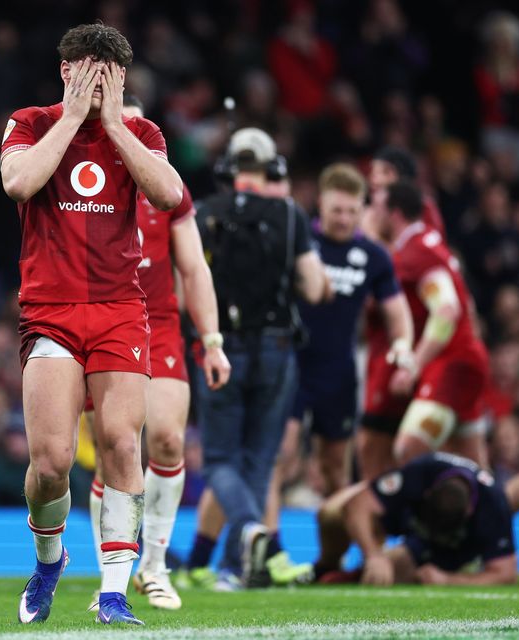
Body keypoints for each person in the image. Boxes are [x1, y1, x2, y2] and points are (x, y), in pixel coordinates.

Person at [0, 23, 185, 626]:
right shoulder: (29, 122)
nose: (99, 83)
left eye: (110, 74)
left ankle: (113, 594)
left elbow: (169, 195)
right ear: (66, 71)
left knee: (121, 444)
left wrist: (112, 125)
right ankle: (49, 559)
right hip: (50, 309)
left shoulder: (142, 133)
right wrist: (73, 117)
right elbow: (18, 183)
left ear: (123, 78)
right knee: (51, 462)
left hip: (118, 309)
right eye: (87, 72)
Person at [85, 94, 230, 612]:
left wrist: (212, 340)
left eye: (136, 128)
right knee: (114, 453)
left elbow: (194, 268)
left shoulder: (167, 188)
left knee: (168, 440)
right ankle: (113, 577)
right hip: (98, 322)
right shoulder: (83, 181)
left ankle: (155, 566)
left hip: (158, 324)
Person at [192, 127, 326, 591]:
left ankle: (245, 541)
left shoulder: (205, 213)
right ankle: (243, 557)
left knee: (220, 460)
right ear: (271, 168)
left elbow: (186, 288)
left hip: (220, 345)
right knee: (259, 461)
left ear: (229, 167)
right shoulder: (289, 214)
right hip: (276, 346)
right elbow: (314, 287)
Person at [272, 164, 413, 507]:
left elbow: (398, 314)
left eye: (352, 211)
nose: (344, 219)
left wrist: (403, 347)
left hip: (338, 372)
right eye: (337, 210)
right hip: (291, 365)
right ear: (321, 203)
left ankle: (336, 541)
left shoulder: (374, 257)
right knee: (280, 457)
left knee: (336, 468)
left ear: (363, 208)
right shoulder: (298, 242)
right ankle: (268, 537)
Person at [370, 180, 490, 467]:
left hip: (452, 364)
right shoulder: (430, 241)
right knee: (474, 464)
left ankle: (434, 501)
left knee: (408, 450)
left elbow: (446, 311)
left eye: (376, 208)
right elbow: (466, 305)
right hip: (466, 359)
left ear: (394, 214)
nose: (371, 214)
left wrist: (413, 365)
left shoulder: (417, 253)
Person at [358, 146, 446, 480]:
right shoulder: (366, 213)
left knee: (380, 445)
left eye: (383, 173)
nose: (374, 180)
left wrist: (372, 239)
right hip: (378, 338)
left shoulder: (421, 215)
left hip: (410, 341)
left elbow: (415, 266)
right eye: (373, 173)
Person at [313, 452, 517, 586]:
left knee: (395, 570)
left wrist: (448, 580)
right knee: (330, 514)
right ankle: (326, 566)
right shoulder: (422, 471)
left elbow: (506, 574)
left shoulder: (494, 504)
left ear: (469, 512)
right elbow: (357, 505)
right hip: (412, 535)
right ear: (427, 493)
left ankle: (356, 576)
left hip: (450, 553)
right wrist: (373, 554)